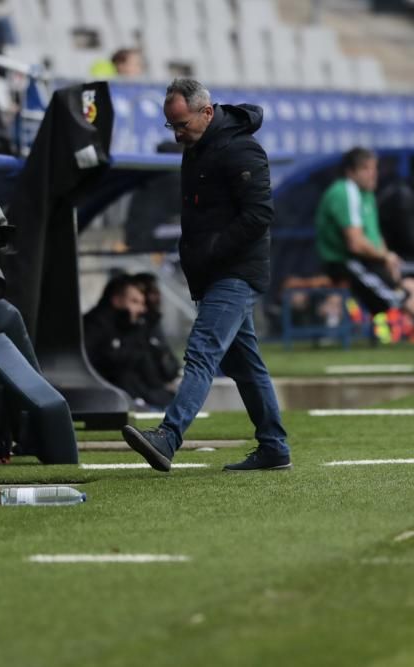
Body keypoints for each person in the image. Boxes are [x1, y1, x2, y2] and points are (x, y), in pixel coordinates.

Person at [121, 78, 292, 472]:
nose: (178, 133)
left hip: (235, 271)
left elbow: (260, 214)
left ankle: (168, 436)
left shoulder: (242, 150)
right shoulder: (199, 147)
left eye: (182, 124)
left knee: (202, 352)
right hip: (214, 270)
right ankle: (274, 446)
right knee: (245, 365)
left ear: (207, 113)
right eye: (172, 126)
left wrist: (213, 251)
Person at [315, 147, 414, 316]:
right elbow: (355, 243)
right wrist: (384, 257)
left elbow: (375, 236)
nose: (373, 174)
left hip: (367, 261)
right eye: (366, 169)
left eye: (374, 168)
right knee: (403, 297)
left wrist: (387, 259)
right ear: (350, 172)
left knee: (409, 286)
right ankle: (324, 317)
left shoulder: (366, 194)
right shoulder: (345, 191)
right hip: (346, 262)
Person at [84, 275, 173, 409]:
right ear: (117, 300)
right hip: (110, 400)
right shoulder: (97, 326)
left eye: (142, 303)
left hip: (140, 398)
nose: (142, 310)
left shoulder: (136, 327)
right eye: (134, 302)